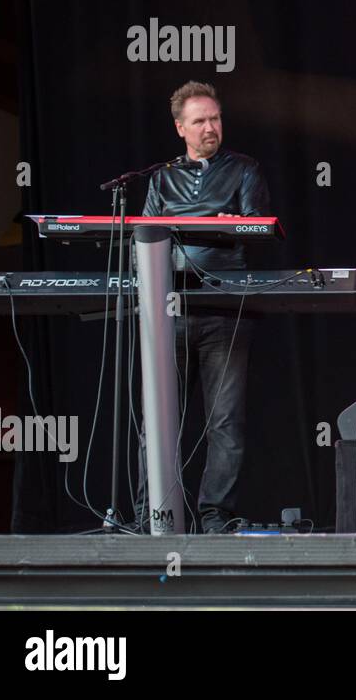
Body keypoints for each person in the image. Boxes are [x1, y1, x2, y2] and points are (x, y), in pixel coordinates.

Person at [141, 80, 271, 533]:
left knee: (225, 420)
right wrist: (206, 225)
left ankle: (216, 517)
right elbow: (146, 236)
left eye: (215, 118)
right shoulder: (161, 178)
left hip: (224, 308)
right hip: (169, 308)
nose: (210, 127)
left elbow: (258, 228)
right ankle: (154, 514)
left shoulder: (245, 170)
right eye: (199, 121)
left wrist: (227, 226)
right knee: (160, 420)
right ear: (181, 128)